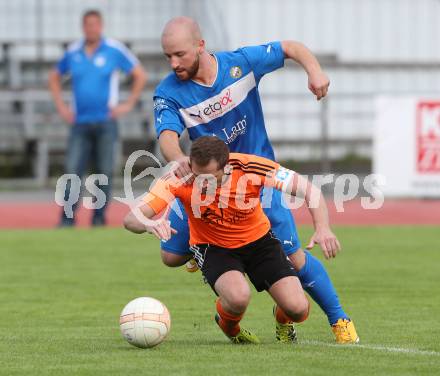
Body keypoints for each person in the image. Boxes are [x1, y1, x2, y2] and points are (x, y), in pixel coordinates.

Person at [152, 16, 358, 344]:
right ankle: (201, 249)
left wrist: (314, 71)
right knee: (170, 256)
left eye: (180, 55)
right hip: (209, 188)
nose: (173, 63)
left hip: (256, 185)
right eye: (168, 57)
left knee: (294, 260)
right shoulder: (169, 91)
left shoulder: (241, 65)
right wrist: (178, 159)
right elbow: (165, 135)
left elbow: (291, 47)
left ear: (200, 46)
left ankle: (338, 320)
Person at [124, 136, 340, 343]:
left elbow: (310, 191)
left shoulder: (251, 167)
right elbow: (131, 218)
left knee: (298, 309)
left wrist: (322, 228)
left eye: (209, 178)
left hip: (259, 242)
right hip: (212, 247)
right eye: (197, 175)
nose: (201, 183)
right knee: (238, 298)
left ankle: (283, 320)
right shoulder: (180, 176)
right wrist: (148, 223)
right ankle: (229, 327)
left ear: (226, 167)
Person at [49, 9, 147, 227]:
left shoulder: (113, 49)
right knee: (73, 171)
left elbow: (139, 74)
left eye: (94, 25)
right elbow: (54, 76)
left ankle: (99, 218)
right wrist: (62, 107)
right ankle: (66, 219)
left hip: (105, 121)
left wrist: (128, 104)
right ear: (83, 27)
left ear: (100, 26)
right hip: (79, 122)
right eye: (87, 25)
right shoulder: (73, 51)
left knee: (103, 172)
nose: (91, 29)